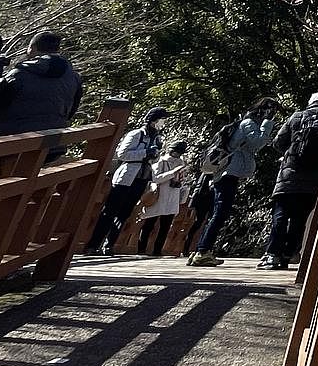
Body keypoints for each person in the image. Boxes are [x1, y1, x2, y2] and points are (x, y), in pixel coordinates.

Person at [186, 96, 281, 266]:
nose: (273, 114)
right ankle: (202, 251)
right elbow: (258, 142)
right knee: (220, 213)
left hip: (225, 173)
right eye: (271, 110)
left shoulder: (242, 123)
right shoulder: (247, 123)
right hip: (228, 173)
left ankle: (201, 250)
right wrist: (268, 122)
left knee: (218, 213)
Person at [262, 93, 318, 269]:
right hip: (314, 180)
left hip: (289, 177)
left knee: (280, 215)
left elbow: (278, 143)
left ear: (311, 102)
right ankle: (288, 255)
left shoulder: (297, 117)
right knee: (299, 219)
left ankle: (273, 255)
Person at [86, 107, 170, 255]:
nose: (163, 123)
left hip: (141, 179)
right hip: (126, 178)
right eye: (162, 120)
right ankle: (93, 245)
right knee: (110, 211)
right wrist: (145, 152)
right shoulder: (136, 134)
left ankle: (109, 245)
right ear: (154, 120)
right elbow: (122, 154)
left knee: (124, 214)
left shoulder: (156, 138)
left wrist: (155, 153)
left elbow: (154, 160)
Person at [0, 31, 84, 136]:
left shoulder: (19, 74)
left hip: (11, 142)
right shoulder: (74, 77)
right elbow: (70, 112)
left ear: (33, 48)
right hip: (53, 144)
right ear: (57, 50)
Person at [136, 140, 191, 256]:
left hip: (173, 197)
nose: (177, 155)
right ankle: (141, 249)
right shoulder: (161, 161)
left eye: (180, 153)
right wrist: (172, 172)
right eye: (176, 152)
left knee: (165, 227)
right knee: (149, 224)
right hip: (159, 195)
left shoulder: (182, 163)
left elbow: (183, 181)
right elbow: (156, 178)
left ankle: (157, 251)